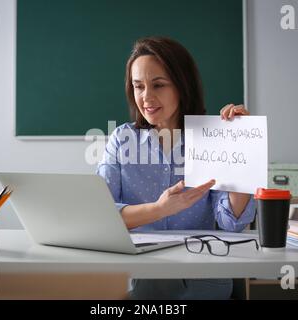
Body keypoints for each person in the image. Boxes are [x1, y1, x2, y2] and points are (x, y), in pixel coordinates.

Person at [96, 37, 256, 300]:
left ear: (182, 86)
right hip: (140, 278)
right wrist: (160, 209)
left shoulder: (211, 137)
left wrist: (242, 147)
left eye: (158, 85)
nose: (146, 97)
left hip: (200, 278)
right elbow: (101, 215)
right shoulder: (122, 140)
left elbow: (232, 223)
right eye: (138, 86)